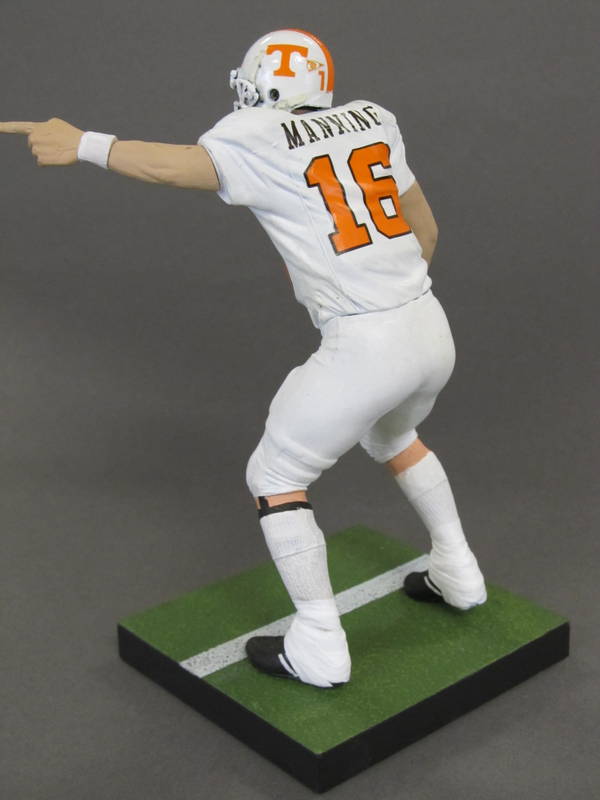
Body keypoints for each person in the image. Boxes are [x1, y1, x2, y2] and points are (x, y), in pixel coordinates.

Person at [0, 28, 486, 690]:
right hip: (429, 325)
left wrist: (82, 143)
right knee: (394, 435)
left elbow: (178, 167)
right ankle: (458, 569)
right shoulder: (374, 120)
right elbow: (424, 229)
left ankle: (319, 642)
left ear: (262, 84)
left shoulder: (257, 134)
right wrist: (388, 296)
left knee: (275, 475)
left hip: (368, 343)